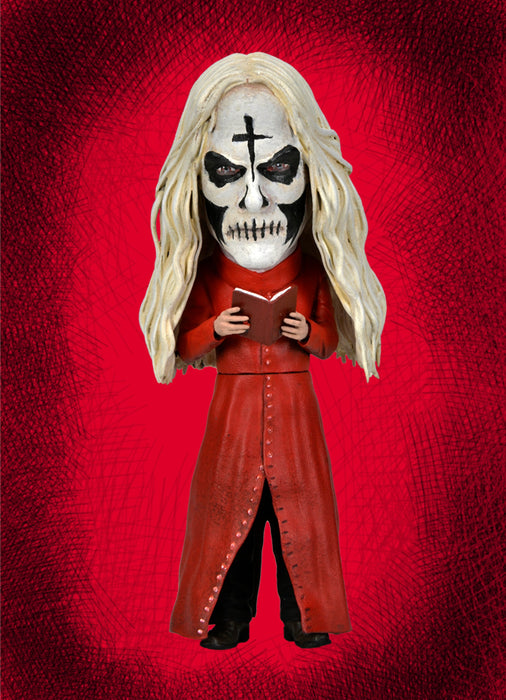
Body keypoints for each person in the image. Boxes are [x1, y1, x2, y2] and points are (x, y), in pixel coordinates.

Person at [139, 53, 386, 649]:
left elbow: (328, 339)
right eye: (226, 173)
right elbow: (184, 344)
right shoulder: (207, 274)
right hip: (233, 417)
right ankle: (228, 619)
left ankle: (305, 618)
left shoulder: (311, 270)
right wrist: (215, 328)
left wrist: (308, 333)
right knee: (232, 523)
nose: (253, 201)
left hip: (297, 417)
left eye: (278, 168)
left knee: (301, 522)